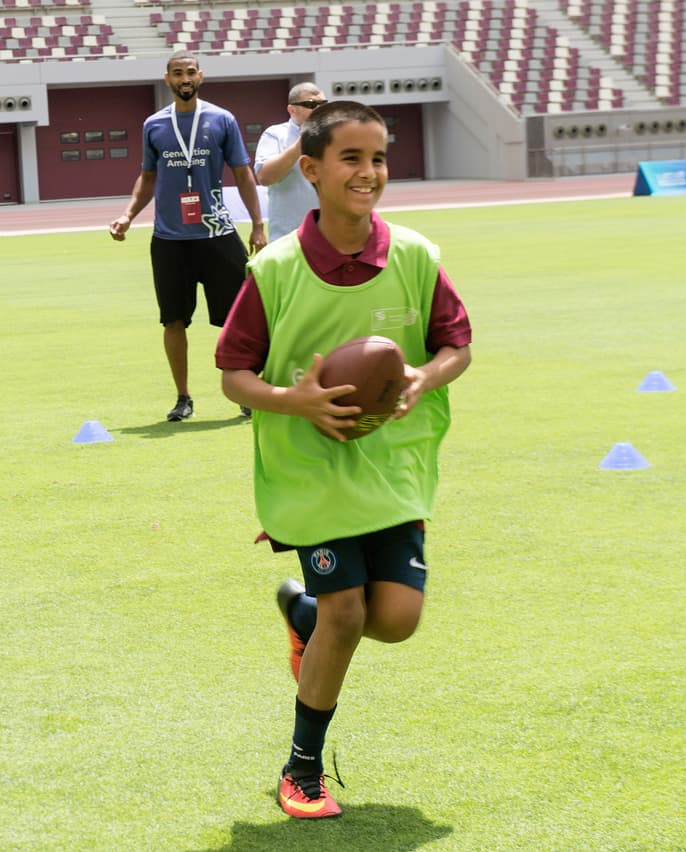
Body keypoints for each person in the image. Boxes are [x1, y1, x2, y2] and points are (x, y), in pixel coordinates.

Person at [215, 101, 473, 819]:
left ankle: (301, 618)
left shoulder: (417, 256)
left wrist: (426, 377)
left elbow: (458, 345)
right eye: (352, 159)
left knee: (395, 619)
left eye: (379, 158)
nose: (369, 173)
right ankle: (302, 769)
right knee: (347, 613)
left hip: (392, 469)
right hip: (312, 474)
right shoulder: (275, 269)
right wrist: (293, 401)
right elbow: (233, 373)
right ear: (311, 170)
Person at [108, 51, 266, 423]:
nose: (184, 79)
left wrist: (257, 223)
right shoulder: (154, 125)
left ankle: (245, 393)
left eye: (190, 72)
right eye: (177, 73)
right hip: (170, 239)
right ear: (167, 79)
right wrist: (128, 214)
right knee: (173, 320)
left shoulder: (221, 119)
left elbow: (243, 173)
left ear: (201, 77)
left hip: (217, 233)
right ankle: (183, 398)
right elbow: (148, 177)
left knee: (235, 319)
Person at [253, 82, 326, 241]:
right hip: (288, 239)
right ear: (292, 110)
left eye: (323, 104)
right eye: (311, 104)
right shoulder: (275, 135)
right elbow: (265, 177)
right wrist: (303, 141)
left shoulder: (335, 136)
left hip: (330, 238)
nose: (319, 109)